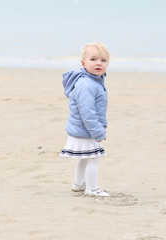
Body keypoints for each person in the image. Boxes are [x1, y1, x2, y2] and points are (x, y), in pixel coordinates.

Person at [60, 42, 110, 197]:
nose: (98, 63)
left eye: (103, 60)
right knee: (94, 158)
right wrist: (98, 132)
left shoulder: (94, 80)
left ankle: (78, 184)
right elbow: (87, 113)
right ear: (83, 63)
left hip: (83, 128)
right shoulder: (86, 84)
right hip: (86, 129)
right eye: (93, 59)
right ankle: (91, 188)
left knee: (85, 157)